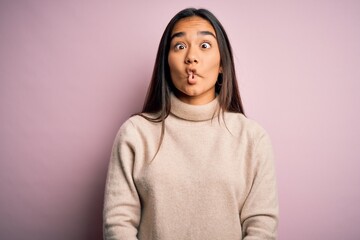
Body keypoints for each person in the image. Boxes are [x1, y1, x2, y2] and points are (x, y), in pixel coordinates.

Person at [103, 8, 278, 240]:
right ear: (166, 63)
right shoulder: (135, 133)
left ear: (223, 64)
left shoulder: (252, 137)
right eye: (180, 46)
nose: (191, 57)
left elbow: (262, 226)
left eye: (204, 45)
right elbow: (118, 224)